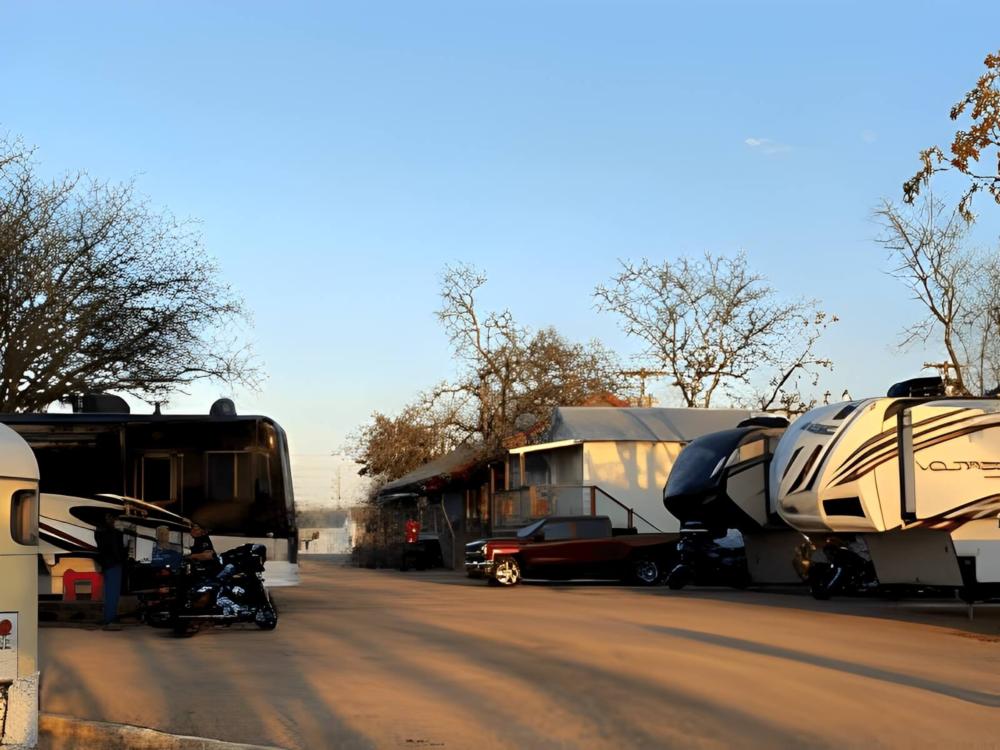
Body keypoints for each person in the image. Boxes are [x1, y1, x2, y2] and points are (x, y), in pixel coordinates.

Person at [94, 512, 127, 631]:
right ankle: (110, 618)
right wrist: (122, 559)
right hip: (114, 564)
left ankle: (108, 616)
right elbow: (116, 549)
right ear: (108, 518)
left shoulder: (98, 531)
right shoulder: (113, 533)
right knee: (113, 592)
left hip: (106, 563)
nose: (115, 520)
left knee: (108, 592)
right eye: (113, 518)